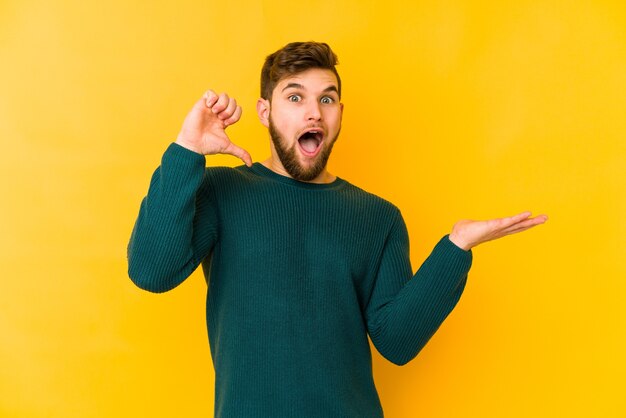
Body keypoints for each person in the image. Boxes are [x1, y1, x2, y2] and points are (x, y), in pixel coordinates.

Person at [127, 41, 548, 418]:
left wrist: (455, 248)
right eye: (296, 97)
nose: (314, 111)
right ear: (265, 111)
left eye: (327, 99)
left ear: (339, 114)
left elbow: (397, 342)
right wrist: (185, 149)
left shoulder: (378, 217)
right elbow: (151, 271)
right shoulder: (222, 191)